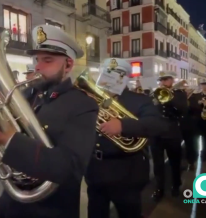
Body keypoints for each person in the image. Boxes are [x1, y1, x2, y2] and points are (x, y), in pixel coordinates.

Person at [0, 25, 99, 218]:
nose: (37, 66)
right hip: (10, 204)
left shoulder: (82, 104)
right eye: (37, 59)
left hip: (49, 210)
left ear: (68, 65)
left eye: (47, 60)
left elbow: (70, 168)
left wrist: (9, 139)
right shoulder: (27, 93)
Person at [85, 58, 169, 218]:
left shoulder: (140, 100)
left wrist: (123, 126)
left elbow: (158, 124)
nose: (106, 78)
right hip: (95, 171)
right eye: (105, 73)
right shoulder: (89, 100)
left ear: (123, 77)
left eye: (113, 74)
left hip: (127, 173)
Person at [150, 71, 188, 201]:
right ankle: (159, 188)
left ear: (172, 80)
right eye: (161, 79)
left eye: (166, 79)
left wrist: (170, 99)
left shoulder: (179, 94)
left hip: (172, 131)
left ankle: (176, 185)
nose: (163, 82)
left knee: (174, 161)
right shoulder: (155, 93)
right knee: (158, 163)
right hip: (156, 133)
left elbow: (183, 110)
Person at [181, 86, 198, 171]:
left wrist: (188, 104)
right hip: (179, 125)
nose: (186, 92)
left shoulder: (193, 98)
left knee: (191, 145)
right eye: (184, 90)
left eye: (187, 90)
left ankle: (191, 162)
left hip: (190, 126)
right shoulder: (178, 99)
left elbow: (196, 109)